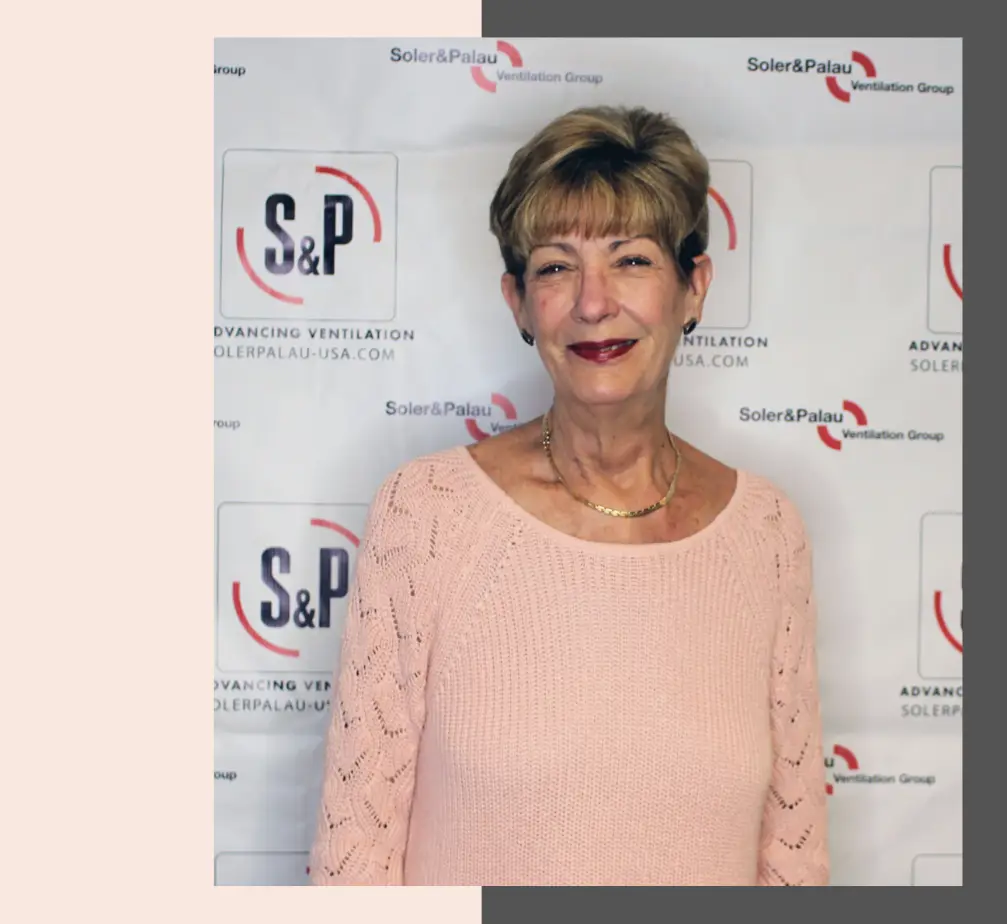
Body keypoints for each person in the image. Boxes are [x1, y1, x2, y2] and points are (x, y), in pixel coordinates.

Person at [308, 105, 828, 886]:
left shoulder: (767, 532)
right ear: (518, 302)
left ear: (694, 287)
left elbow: (794, 858)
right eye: (556, 267)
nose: (593, 303)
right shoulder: (428, 515)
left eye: (632, 260)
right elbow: (354, 866)